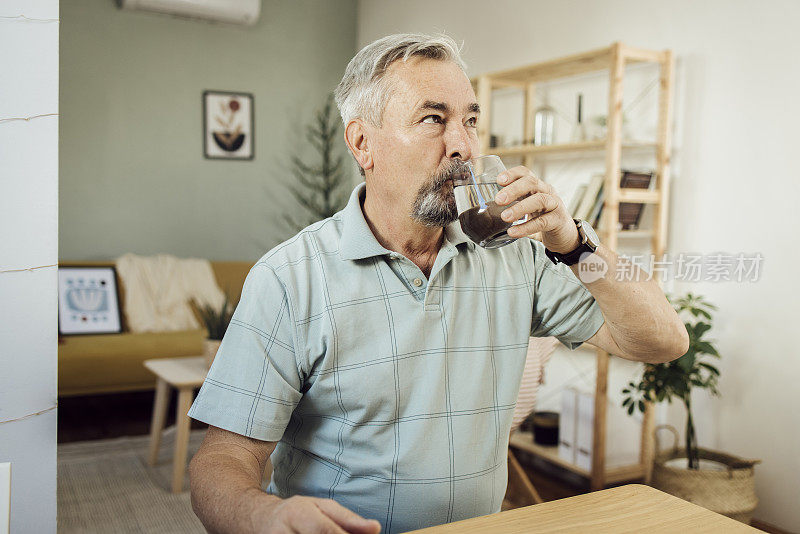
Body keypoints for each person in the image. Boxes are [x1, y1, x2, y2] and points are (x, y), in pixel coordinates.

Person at [187, 33, 688, 534]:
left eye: (470, 121)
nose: (464, 146)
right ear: (363, 143)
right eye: (433, 120)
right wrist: (267, 516)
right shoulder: (288, 279)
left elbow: (663, 340)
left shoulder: (516, 256)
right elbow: (223, 458)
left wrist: (575, 242)